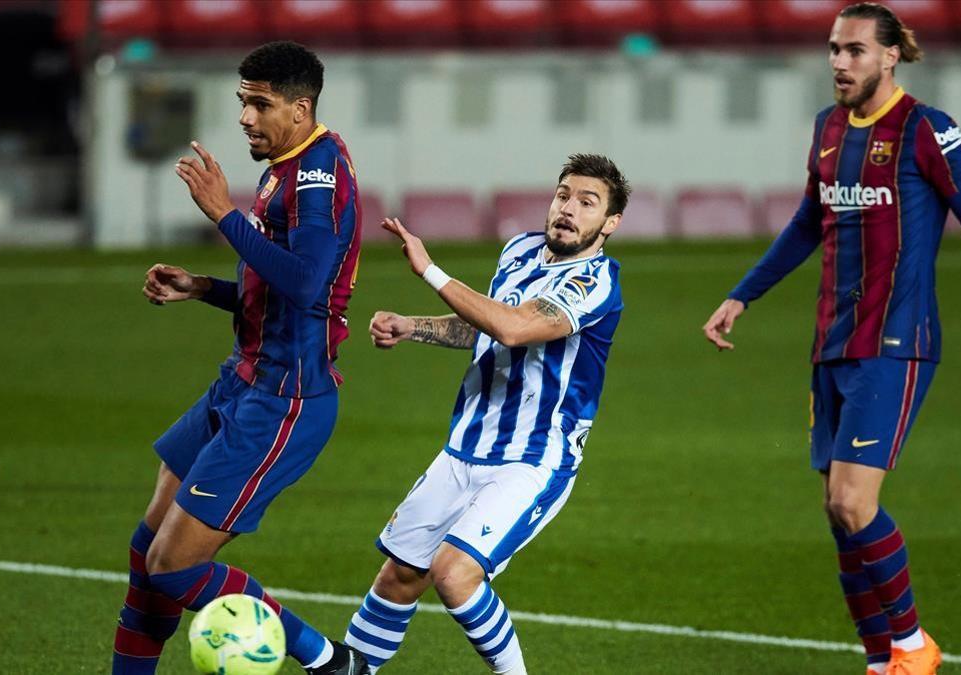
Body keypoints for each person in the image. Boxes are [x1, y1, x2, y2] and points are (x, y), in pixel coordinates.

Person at [702, 4, 961, 674]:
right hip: (832, 344)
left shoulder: (928, 129)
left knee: (852, 500)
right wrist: (742, 293)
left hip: (896, 342)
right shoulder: (828, 129)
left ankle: (911, 646)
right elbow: (808, 223)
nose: (839, 63)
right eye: (833, 50)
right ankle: (879, 661)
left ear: (891, 54)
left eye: (854, 51)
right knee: (837, 514)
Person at [113, 41, 363, 675]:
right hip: (242, 382)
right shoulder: (283, 163)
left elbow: (307, 284)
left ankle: (327, 660)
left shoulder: (318, 174)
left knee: (174, 565)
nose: (246, 117)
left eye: (260, 104)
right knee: (149, 552)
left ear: (302, 108)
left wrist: (223, 211)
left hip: (284, 401)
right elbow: (280, 294)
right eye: (242, 102)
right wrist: (203, 288)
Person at [339, 154, 629, 675]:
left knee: (454, 575)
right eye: (564, 195)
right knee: (398, 576)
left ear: (610, 224)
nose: (568, 209)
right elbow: (486, 325)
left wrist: (428, 270)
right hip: (465, 445)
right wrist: (415, 326)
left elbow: (516, 328)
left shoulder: (596, 282)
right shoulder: (520, 250)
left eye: (588, 203)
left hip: (533, 458)